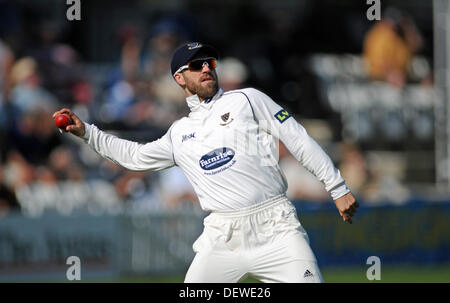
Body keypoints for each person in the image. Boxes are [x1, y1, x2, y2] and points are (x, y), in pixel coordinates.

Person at [53, 42, 359, 283]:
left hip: (276, 229)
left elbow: (297, 138)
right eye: (196, 65)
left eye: (210, 63)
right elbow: (133, 156)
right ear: (179, 78)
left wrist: (337, 186)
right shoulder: (179, 133)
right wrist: (86, 133)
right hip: (222, 238)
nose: (206, 69)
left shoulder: (247, 99)